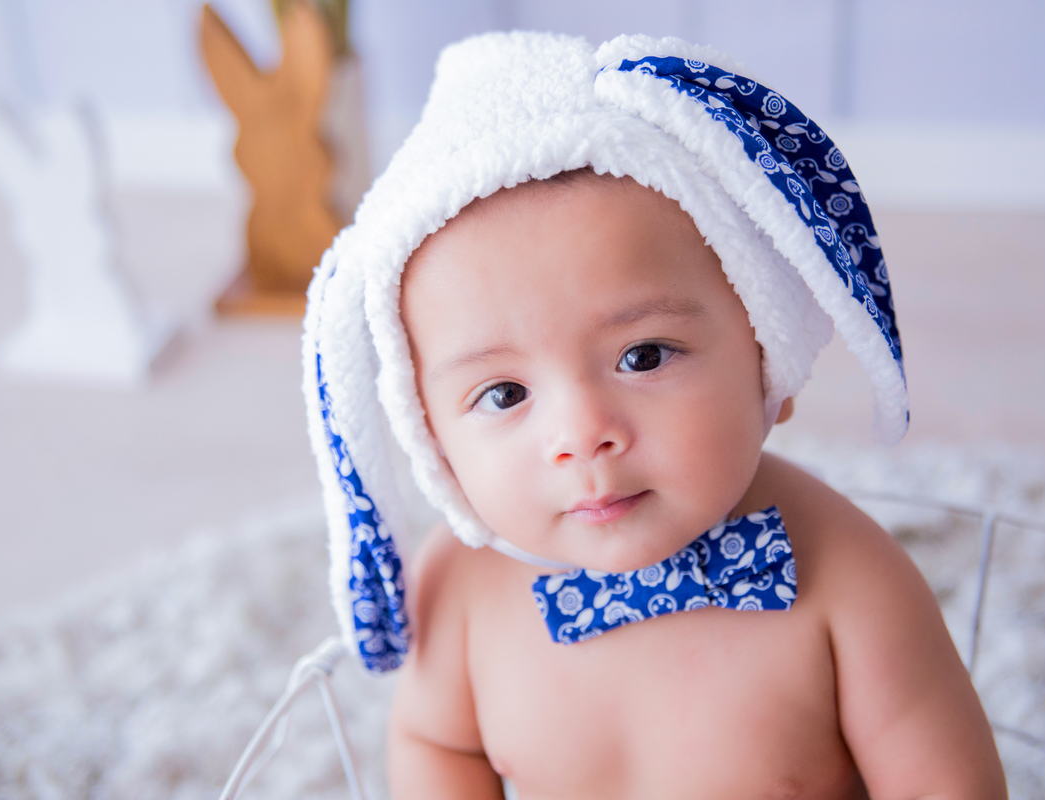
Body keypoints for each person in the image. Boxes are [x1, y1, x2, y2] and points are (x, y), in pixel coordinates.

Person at [302, 31, 1007, 799]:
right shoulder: (460, 587)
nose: (581, 434)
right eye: (504, 394)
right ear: (431, 436)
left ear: (766, 356)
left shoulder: (849, 578)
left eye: (643, 356)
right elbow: (435, 741)